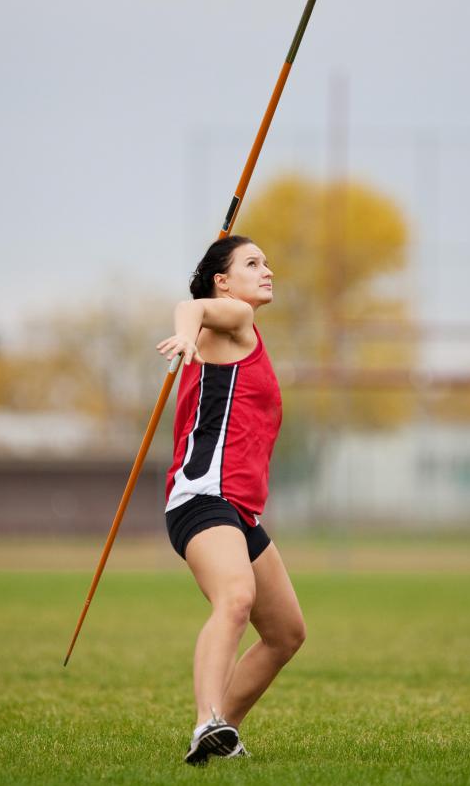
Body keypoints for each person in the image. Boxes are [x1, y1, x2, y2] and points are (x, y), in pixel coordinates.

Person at [156, 234, 306, 765]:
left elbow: (200, 310)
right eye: (251, 263)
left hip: (240, 511)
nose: (267, 270)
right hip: (202, 501)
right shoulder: (233, 321)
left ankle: (222, 737)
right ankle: (207, 721)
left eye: (267, 261)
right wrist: (185, 337)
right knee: (236, 598)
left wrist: (194, 337)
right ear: (224, 281)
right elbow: (189, 305)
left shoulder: (239, 332)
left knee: (286, 633)